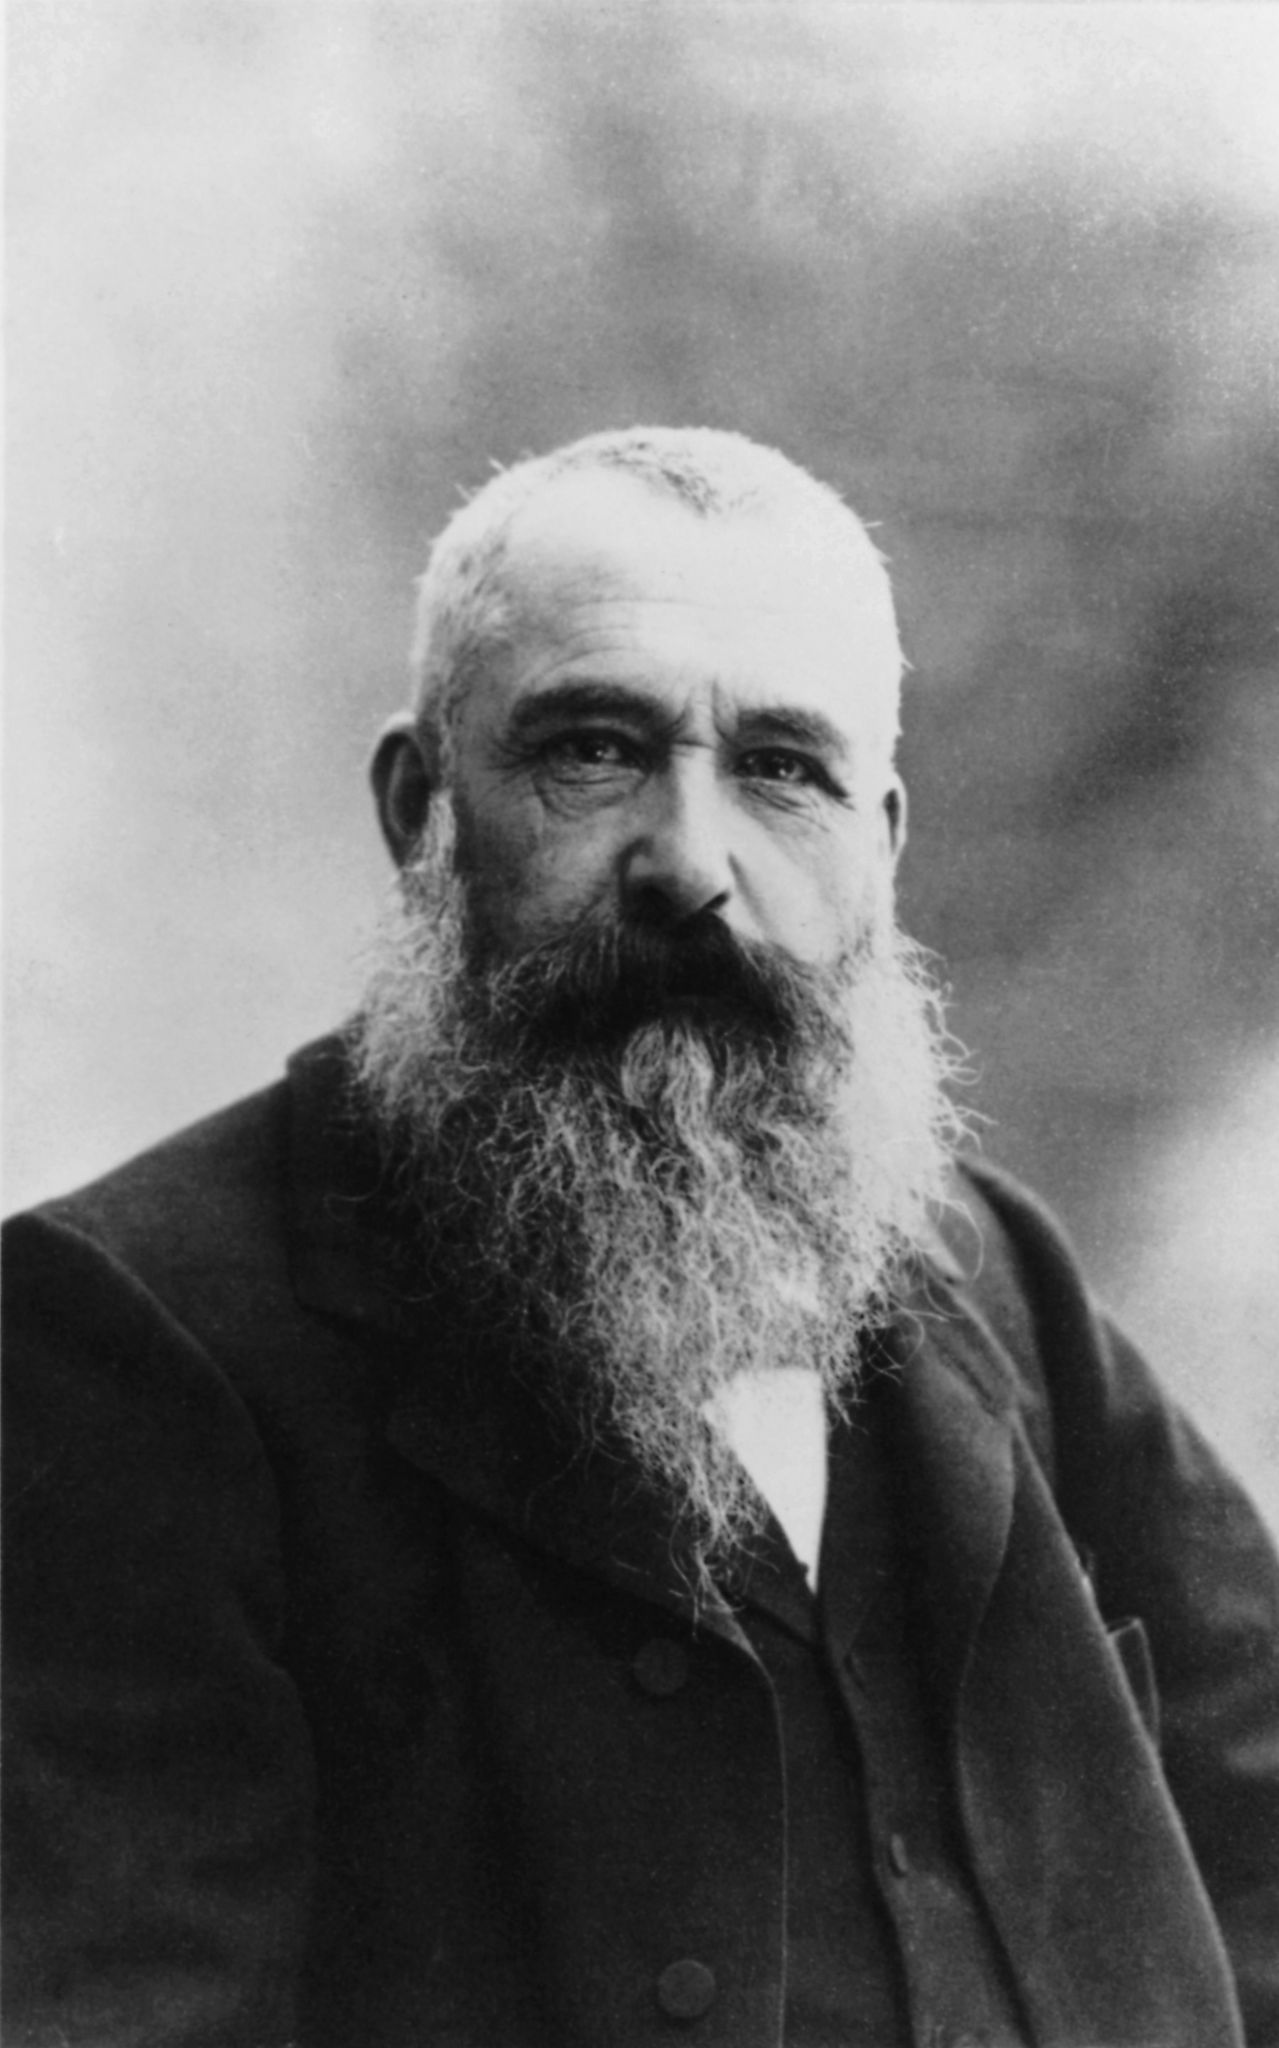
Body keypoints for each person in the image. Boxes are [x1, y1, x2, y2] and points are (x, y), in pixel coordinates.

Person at [4, 426, 1277, 2048]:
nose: (691, 862)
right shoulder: (128, 1339)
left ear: (881, 847)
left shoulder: (989, 1274)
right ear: (419, 809)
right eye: (597, 752)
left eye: (783, 770)